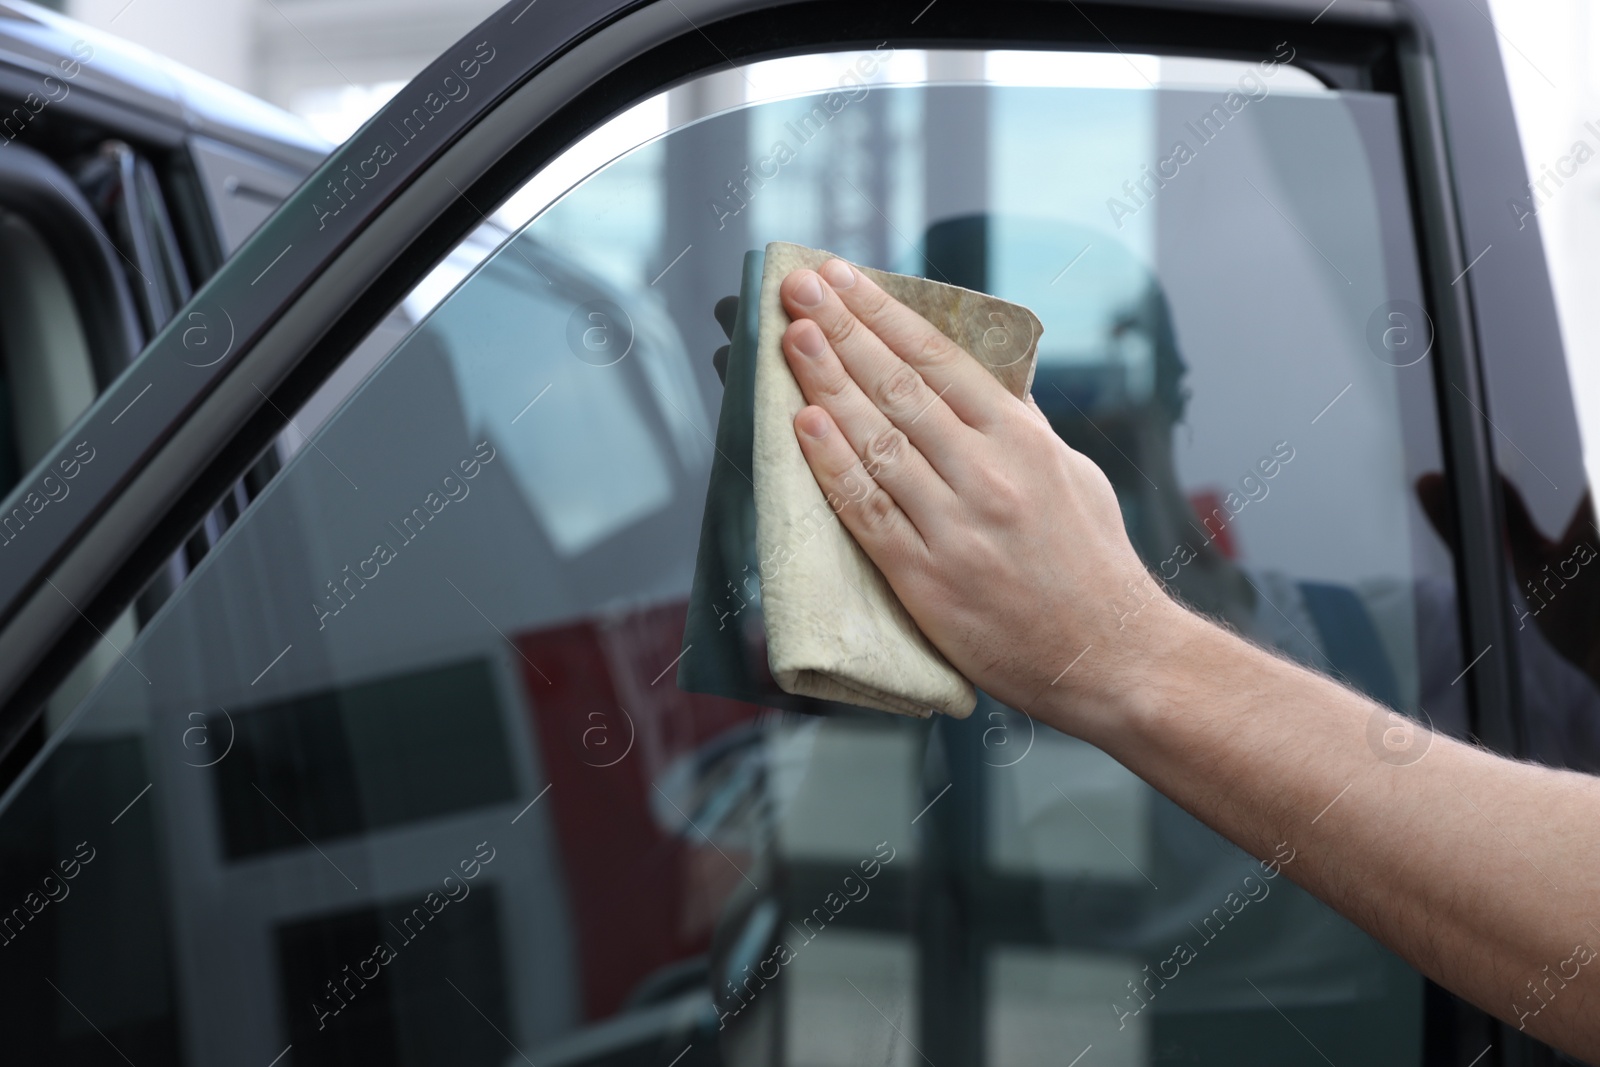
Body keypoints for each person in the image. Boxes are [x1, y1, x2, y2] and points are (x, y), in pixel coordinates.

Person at [771, 256, 1600, 1060]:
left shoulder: (1391, 630)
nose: (1061, 452)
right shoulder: (908, 695)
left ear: (1178, 400)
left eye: (1111, 396)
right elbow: (834, 953)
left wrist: (1122, 645)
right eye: (1019, 412)